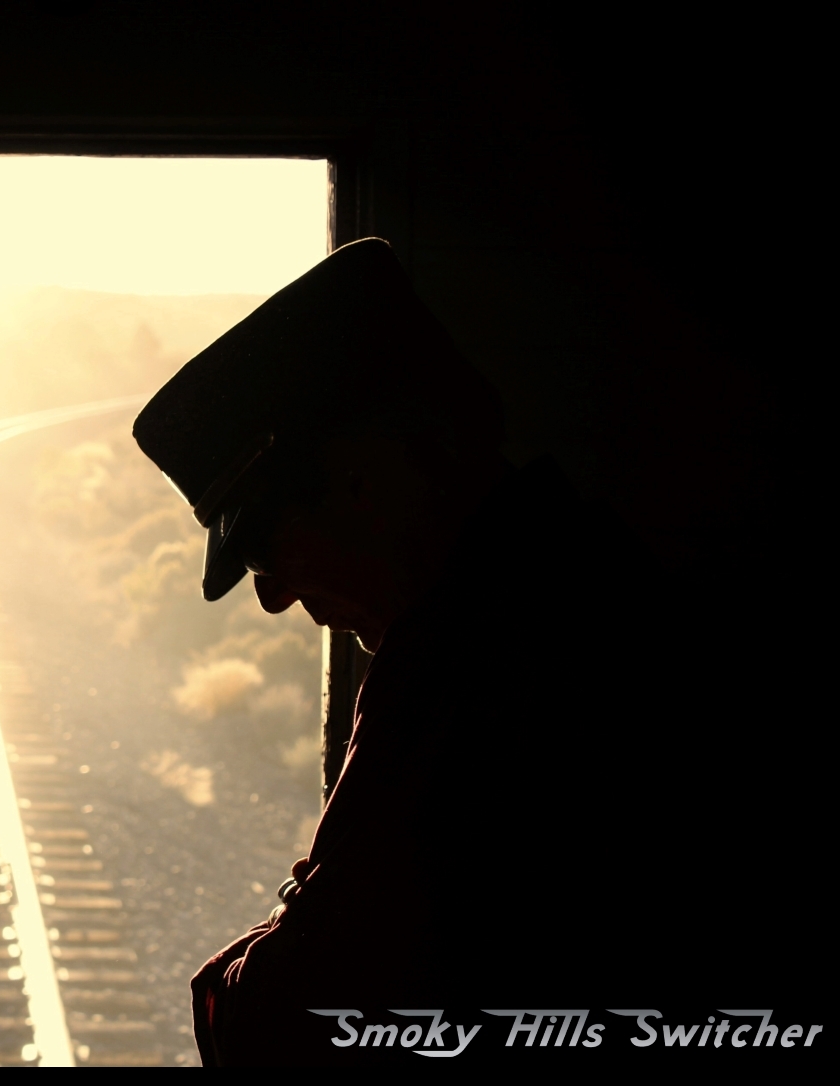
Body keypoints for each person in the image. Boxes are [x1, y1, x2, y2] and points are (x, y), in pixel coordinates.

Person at [132, 239, 743, 1065]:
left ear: (360, 487)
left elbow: (283, 1023)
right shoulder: (594, 583)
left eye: (267, 553)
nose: (273, 598)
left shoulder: (469, 672)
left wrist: (279, 935)